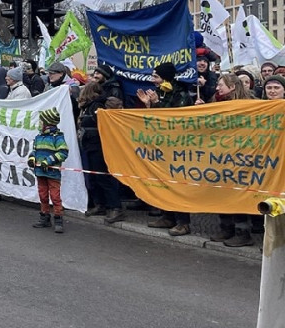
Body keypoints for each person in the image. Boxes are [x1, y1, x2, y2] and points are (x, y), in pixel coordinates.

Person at [204, 73, 261, 247]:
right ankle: (226, 228)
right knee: (221, 193)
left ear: (232, 87)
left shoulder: (249, 105)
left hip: (240, 157)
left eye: (220, 85)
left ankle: (242, 232)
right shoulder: (215, 101)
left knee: (237, 194)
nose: (217, 88)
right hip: (219, 157)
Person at [139, 62, 194, 235]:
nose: (152, 80)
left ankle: (183, 222)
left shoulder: (181, 94)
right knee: (162, 182)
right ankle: (167, 216)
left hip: (177, 147)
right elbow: (155, 120)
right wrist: (149, 105)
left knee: (177, 184)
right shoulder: (160, 93)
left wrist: (156, 104)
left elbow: (172, 119)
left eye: (155, 77)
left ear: (165, 78)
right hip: (161, 146)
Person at [77, 81, 126, 223]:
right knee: (95, 177)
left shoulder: (96, 106)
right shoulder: (89, 106)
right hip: (91, 145)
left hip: (98, 145)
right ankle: (101, 205)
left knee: (104, 177)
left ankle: (115, 207)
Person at [29, 108, 69, 233]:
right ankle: (44, 217)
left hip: (52, 173)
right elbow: (35, 150)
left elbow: (63, 152)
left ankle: (58, 219)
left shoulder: (57, 137)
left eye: (41, 121)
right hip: (40, 172)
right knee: (43, 195)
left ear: (48, 123)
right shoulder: (38, 137)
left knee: (55, 196)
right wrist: (31, 157)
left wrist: (49, 161)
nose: (39, 124)